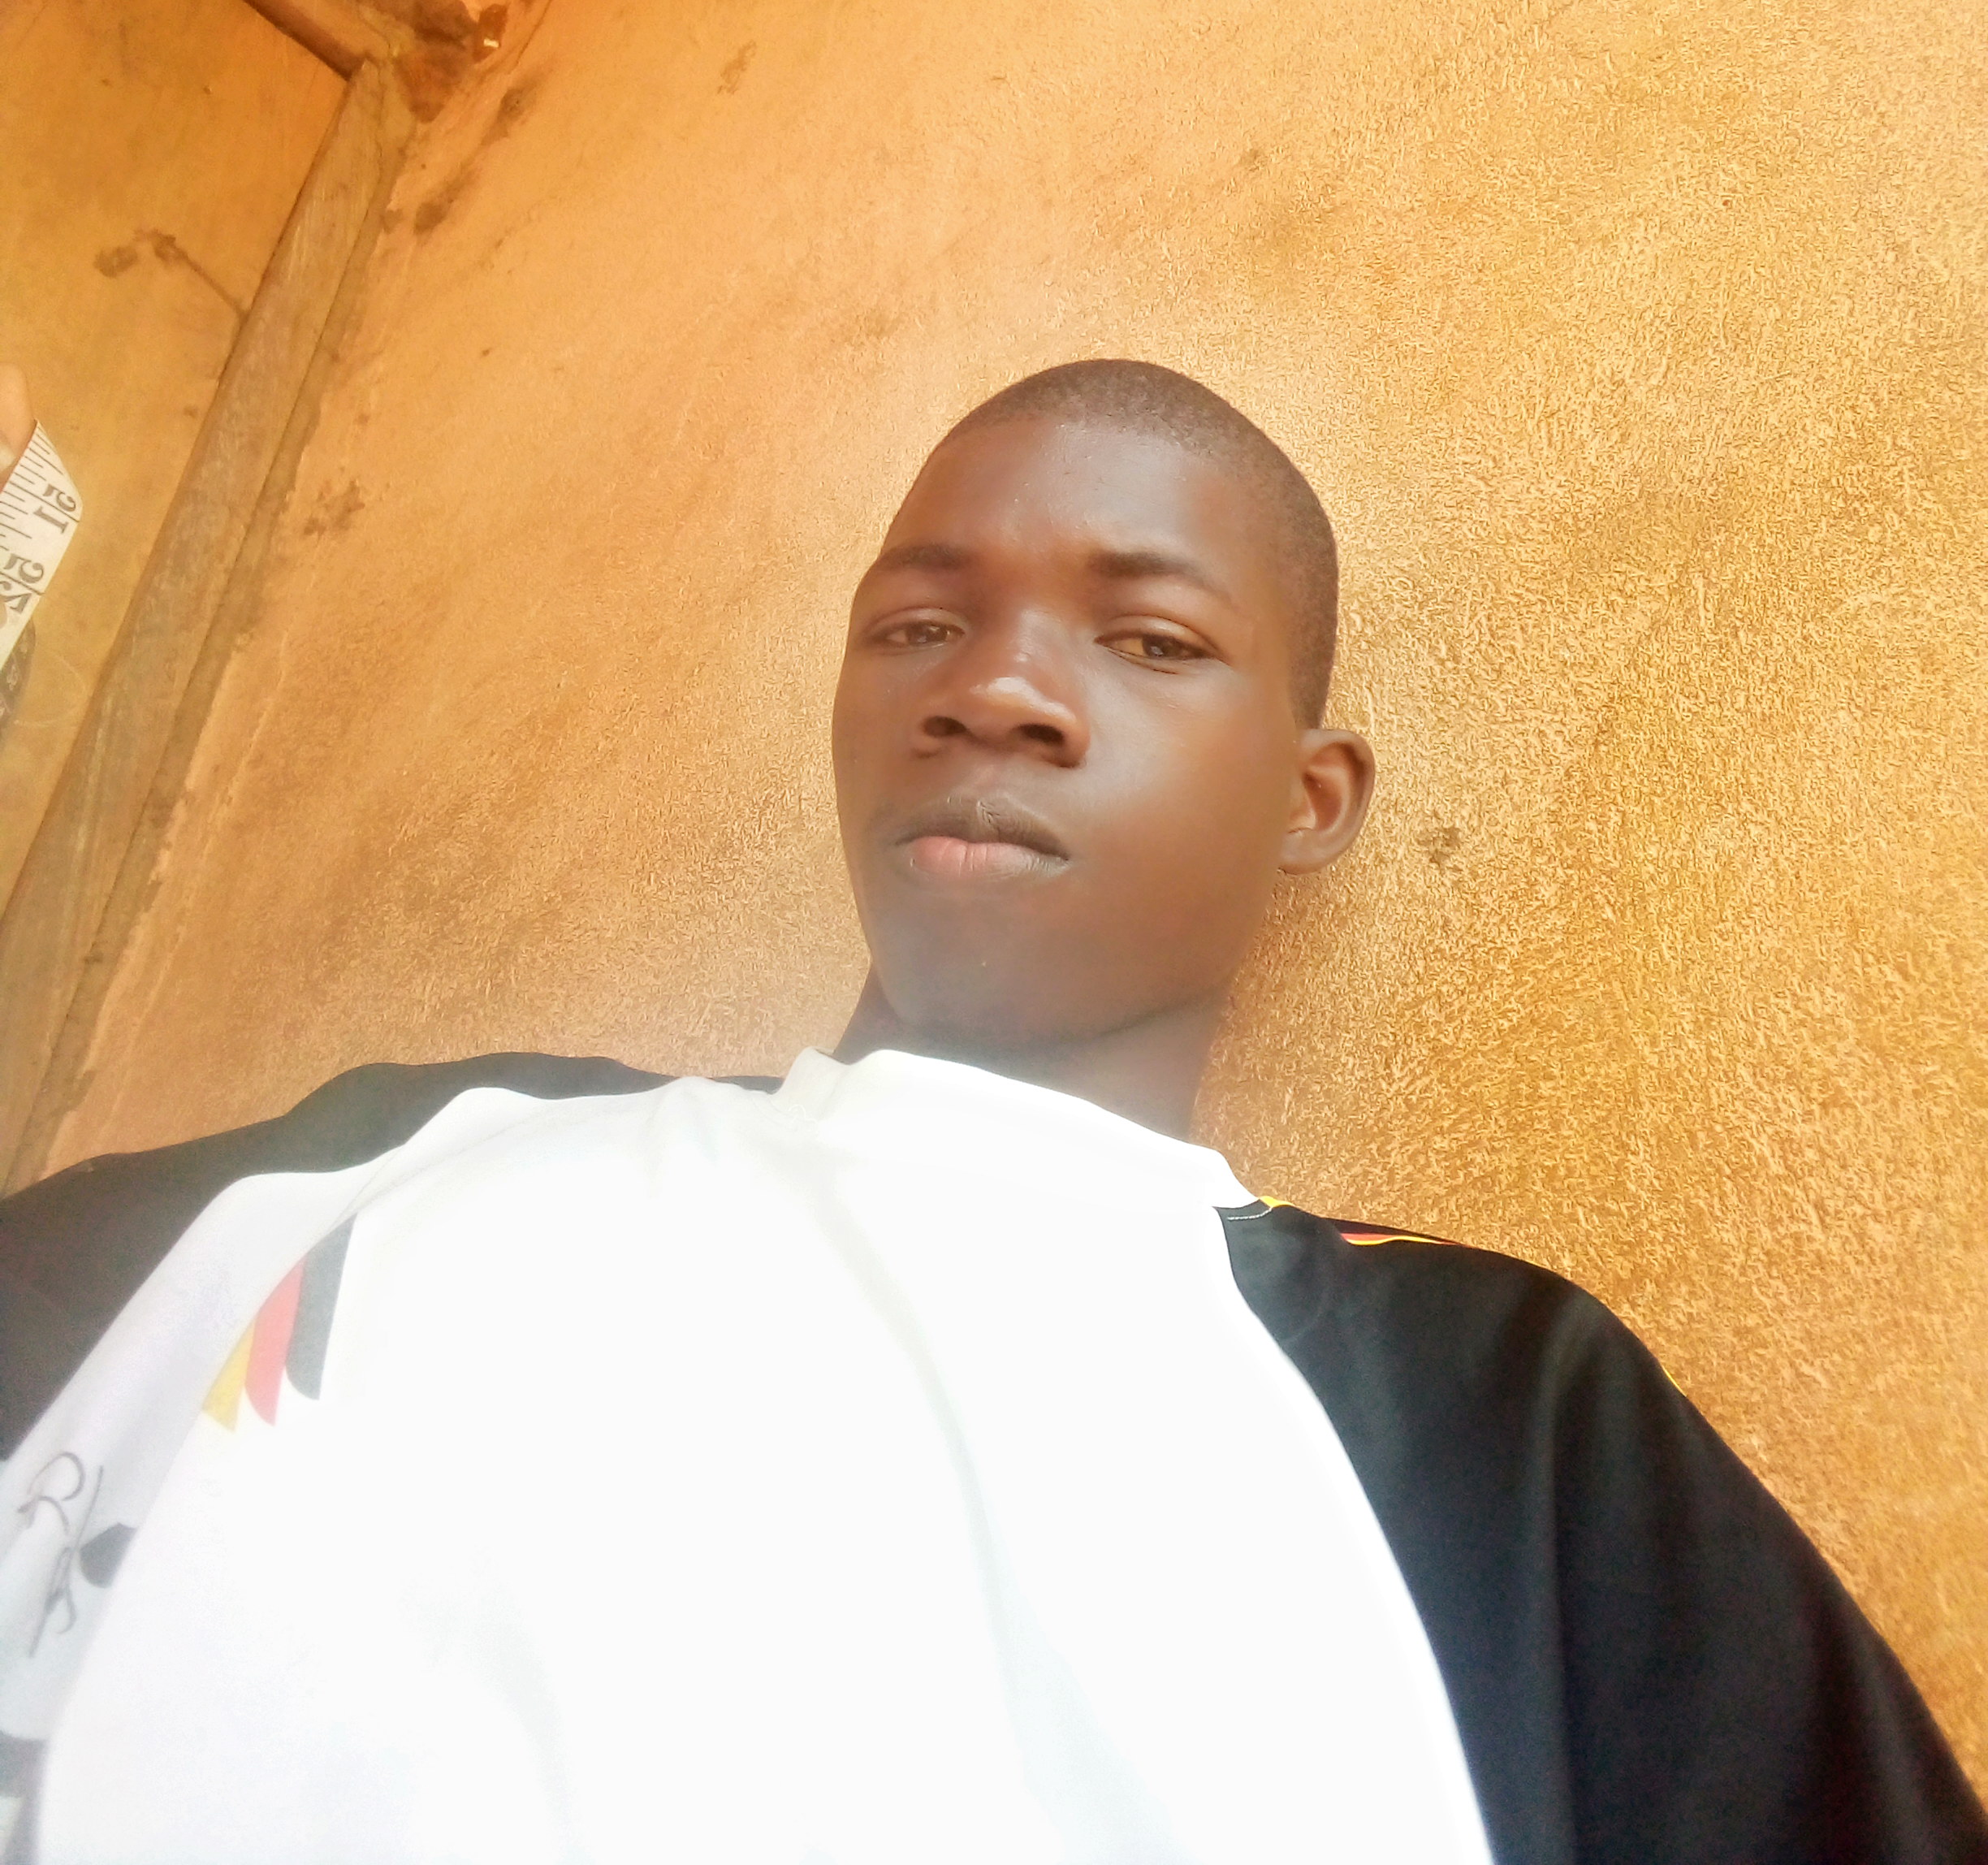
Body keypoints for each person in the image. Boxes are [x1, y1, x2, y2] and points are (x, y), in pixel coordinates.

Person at [0, 361, 1981, 1864]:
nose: (997, 692)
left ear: (1313, 798)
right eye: (918, 627)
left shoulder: (1479, 1412)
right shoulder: (424, 1148)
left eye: (1150, 639)